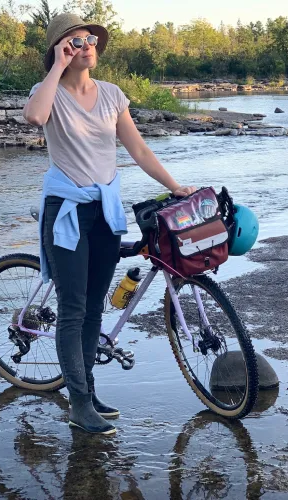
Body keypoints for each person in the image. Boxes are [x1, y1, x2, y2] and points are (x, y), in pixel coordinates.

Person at [23, 13, 196, 435]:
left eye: (91, 40)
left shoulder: (113, 95)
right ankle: (78, 403)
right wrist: (57, 68)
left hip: (105, 210)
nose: (87, 46)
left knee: (94, 308)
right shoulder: (48, 92)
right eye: (76, 41)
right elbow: (33, 117)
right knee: (73, 307)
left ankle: (89, 392)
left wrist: (176, 187)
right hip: (66, 209)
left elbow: (138, 149)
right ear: (60, 48)